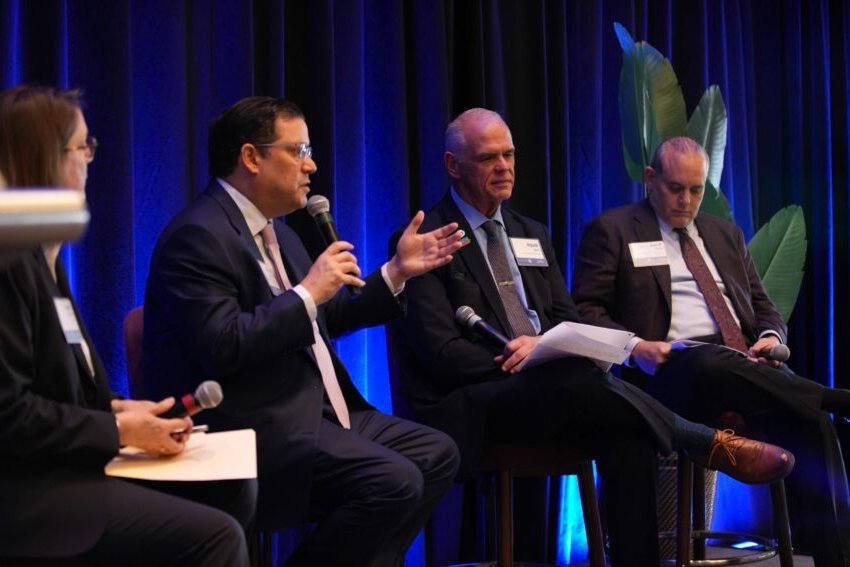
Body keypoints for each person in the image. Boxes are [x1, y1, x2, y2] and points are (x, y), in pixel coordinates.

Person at [388, 108, 795, 567]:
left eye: (509, 155)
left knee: (630, 436)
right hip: (474, 401)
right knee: (577, 382)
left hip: (556, 394)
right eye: (487, 158)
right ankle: (706, 441)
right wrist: (528, 359)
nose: (503, 167)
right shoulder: (423, 241)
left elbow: (568, 319)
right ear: (453, 165)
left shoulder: (530, 233)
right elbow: (442, 355)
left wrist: (547, 349)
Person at [142, 96, 464, 567]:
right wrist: (308, 292)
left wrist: (395, 272)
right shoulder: (198, 236)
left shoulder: (281, 233)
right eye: (298, 151)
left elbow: (323, 319)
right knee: (393, 481)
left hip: (314, 410)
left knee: (437, 453)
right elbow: (223, 344)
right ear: (251, 157)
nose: (311, 165)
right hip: (250, 424)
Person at [0, 85, 250, 566]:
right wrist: (117, 430)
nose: (89, 160)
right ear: (44, 159)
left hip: (65, 467)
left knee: (233, 489)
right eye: (83, 146)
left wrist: (122, 408)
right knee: (216, 538)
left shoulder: (42, 252)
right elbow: (9, 414)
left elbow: (59, 382)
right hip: (27, 495)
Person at [572, 136, 850, 566]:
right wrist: (635, 347)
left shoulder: (725, 234)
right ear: (650, 178)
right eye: (675, 188)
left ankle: (835, 558)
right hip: (664, 373)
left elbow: (763, 307)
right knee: (705, 359)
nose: (686, 200)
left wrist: (771, 338)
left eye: (696, 190)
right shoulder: (613, 230)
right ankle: (835, 397)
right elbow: (585, 311)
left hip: (742, 367)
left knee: (812, 423)